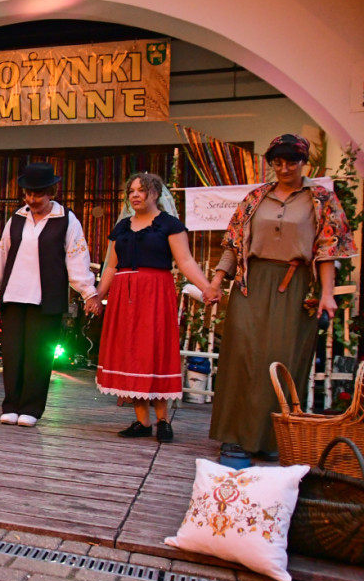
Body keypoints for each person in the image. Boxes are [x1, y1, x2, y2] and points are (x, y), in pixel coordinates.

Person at [208, 134, 357, 461]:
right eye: (277, 162)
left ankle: (273, 438)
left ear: (304, 163)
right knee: (242, 356)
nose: (284, 167)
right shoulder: (256, 197)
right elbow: (234, 245)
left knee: (281, 359)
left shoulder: (321, 198)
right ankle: (234, 435)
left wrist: (327, 295)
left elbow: (327, 252)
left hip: (297, 286)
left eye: (291, 161)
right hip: (251, 284)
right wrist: (217, 280)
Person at [0, 162, 101, 426]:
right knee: (13, 353)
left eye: (38, 194)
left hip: (46, 299)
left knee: (39, 355)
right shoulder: (17, 218)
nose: (32, 199)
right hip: (14, 296)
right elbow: (2, 255)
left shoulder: (67, 219)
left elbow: (77, 259)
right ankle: (11, 405)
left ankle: (31, 408)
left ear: (51, 192)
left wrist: (89, 293)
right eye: (28, 194)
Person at [95, 172, 220, 442]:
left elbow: (185, 262)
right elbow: (111, 267)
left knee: (154, 351)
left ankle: (163, 421)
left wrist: (206, 286)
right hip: (123, 296)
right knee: (131, 353)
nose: (135, 195)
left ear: (155, 194)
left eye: (142, 190)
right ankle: (142, 421)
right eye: (131, 191)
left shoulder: (169, 225)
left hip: (155, 293)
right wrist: (97, 295)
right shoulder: (122, 228)